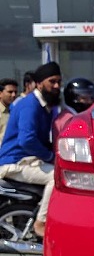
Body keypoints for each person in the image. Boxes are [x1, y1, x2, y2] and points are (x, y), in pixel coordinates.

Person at [0, 62, 62, 238]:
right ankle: (41, 222)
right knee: (56, 177)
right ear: (40, 83)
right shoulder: (31, 105)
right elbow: (27, 140)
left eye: (59, 81)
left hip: (27, 160)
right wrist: (50, 156)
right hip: (14, 162)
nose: (57, 86)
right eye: (52, 81)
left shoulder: (46, 105)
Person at [0, 78, 18, 142]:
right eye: (10, 92)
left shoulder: (14, 110)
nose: (13, 95)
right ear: (0, 93)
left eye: (15, 92)